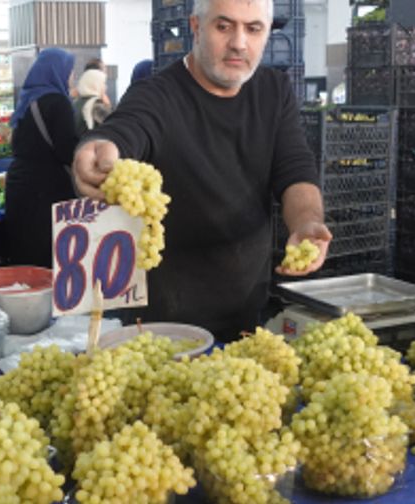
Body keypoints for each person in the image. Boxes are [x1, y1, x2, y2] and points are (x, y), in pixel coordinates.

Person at [71, 0, 332, 342]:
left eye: (253, 29)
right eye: (224, 26)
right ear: (195, 26)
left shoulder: (274, 91)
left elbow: (295, 168)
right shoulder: (156, 94)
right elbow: (127, 128)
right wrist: (99, 148)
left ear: (267, 35)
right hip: (164, 326)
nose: (239, 42)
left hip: (247, 310)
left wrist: (307, 222)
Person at [6, 48, 79, 267]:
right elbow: (67, 151)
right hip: (46, 191)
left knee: (25, 255)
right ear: (57, 71)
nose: (72, 76)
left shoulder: (28, 99)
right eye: (71, 71)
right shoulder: (58, 102)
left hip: (20, 186)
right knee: (48, 257)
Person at [72, 68, 111, 136]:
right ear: (95, 84)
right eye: (103, 83)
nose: (105, 87)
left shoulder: (75, 102)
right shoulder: (97, 104)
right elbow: (109, 127)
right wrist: (108, 106)